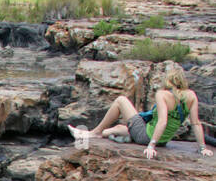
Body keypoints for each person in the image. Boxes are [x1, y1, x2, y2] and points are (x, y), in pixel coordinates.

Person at [69, 66, 211, 160]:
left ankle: (95, 132)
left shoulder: (163, 94)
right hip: (163, 140)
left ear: (168, 81)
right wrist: (202, 148)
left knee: (121, 100)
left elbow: (163, 121)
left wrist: (151, 145)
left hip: (147, 136)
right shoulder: (191, 96)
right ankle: (104, 134)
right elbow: (196, 123)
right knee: (120, 129)